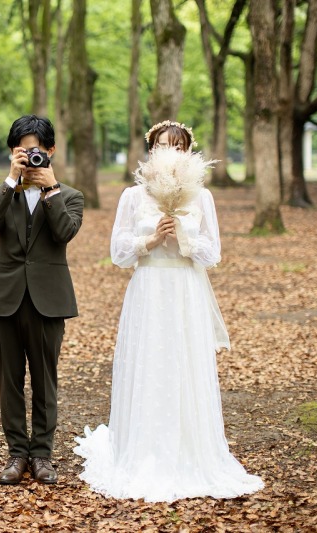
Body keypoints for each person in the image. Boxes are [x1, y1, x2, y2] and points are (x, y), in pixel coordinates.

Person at [73, 121, 264, 502]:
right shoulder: (133, 196)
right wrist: (151, 239)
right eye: (162, 145)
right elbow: (119, 253)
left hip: (185, 291)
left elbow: (213, 254)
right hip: (149, 289)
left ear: (188, 152)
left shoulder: (201, 198)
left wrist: (186, 240)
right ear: (151, 150)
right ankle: (143, 448)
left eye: (177, 147)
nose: (169, 152)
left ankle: (190, 451)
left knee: (184, 365)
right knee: (150, 364)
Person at [0, 115, 84, 485]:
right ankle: (16, 454)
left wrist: (51, 190)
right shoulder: (0, 193)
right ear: (12, 152)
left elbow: (65, 232)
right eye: (23, 150)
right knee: (9, 381)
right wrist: (12, 180)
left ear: (51, 151)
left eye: (37, 150)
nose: (30, 157)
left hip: (48, 300)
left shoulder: (71, 196)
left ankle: (42, 454)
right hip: (4, 298)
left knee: (44, 380)